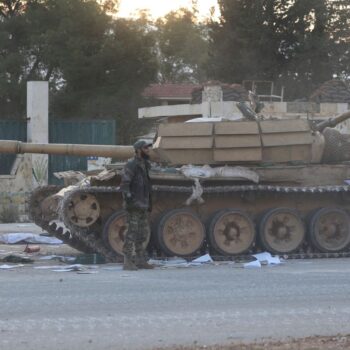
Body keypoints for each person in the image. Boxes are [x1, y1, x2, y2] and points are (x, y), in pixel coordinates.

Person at [120, 140, 154, 271]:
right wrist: (128, 198)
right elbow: (125, 184)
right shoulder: (131, 164)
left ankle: (140, 260)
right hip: (134, 204)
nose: (148, 150)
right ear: (138, 150)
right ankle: (127, 261)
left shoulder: (145, 164)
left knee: (143, 233)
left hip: (143, 204)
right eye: (146, 148)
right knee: (131, 233)